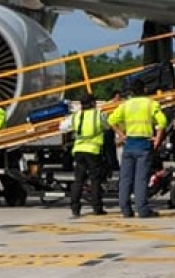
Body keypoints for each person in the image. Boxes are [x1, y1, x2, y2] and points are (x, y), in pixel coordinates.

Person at [108, 79, 167, 218]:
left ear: (131, 91)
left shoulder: (125, 105)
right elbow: (163, 121)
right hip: (143, 144)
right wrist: (158, 138)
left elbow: (111, 120)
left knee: (125, 178)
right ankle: (142, 209)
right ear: (145, 89)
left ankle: (125, 209)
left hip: (129, 144)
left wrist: (121, 135)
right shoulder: (150, 104)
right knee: (140, 179)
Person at [64, 93, 108, 217]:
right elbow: (106, 126)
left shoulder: (75, 116)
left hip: (78, 150)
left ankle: (75, 208)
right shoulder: (98, 114)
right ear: (93, 103)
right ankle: (97, 207)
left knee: (78, 180)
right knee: (95, 180)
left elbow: (62, 127)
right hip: (93, 150)